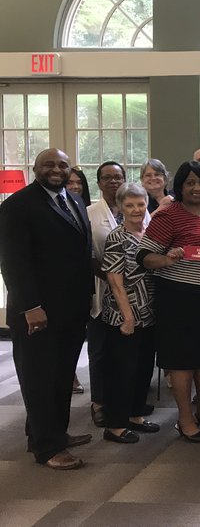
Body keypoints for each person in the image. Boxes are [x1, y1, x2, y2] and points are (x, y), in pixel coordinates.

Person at [0, 148, 94, 469]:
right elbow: (13, 262)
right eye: (49, 164)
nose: (56, 169)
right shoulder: (17, 206)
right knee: (39, 377)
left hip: (71, 309)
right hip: (36, 311)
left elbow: (79, 253)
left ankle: (52, 433)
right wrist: (30, 306)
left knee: (62, 375)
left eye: (62, 165)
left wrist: (88, 294)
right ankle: (48, 448)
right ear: (36, 168)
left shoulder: (75, 200)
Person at [137, 160, 200, 443]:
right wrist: (167, 259)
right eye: (190, 183)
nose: (197, 188)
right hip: (180, 296)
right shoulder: (168, 215)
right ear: (180, 186)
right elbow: (144, 256)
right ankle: (185, 419)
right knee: (182, 359)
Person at [99, 183, 160, 444]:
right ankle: (114, 425)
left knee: (143, 367)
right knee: (122, 371)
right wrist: (128, 317)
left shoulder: (148, 233)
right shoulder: (117, 237)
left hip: (149, 313)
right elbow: (115, 282)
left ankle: (135, 415)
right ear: (120, 207)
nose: (136, 209)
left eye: (140, 204)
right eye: (130, 205)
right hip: (124, 315)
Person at [86, 161, 129, 428]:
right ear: (99, 182)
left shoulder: (136, 208)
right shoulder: (89, 213)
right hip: (102, 288)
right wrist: (112, 278)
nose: (113, 182)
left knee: (125, 350)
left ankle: (125, 400)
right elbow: (88, 254)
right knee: (100, 349)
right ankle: (99, 402)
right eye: (107, 178)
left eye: (118, 177)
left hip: (132, 292)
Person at [66, 166, 91, 395]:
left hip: (84, 284)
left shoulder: (83, 207)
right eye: (70, 182)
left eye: (78, 182)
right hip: (59, 287)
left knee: (76, 337)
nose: (75, 186)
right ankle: (69, 376)